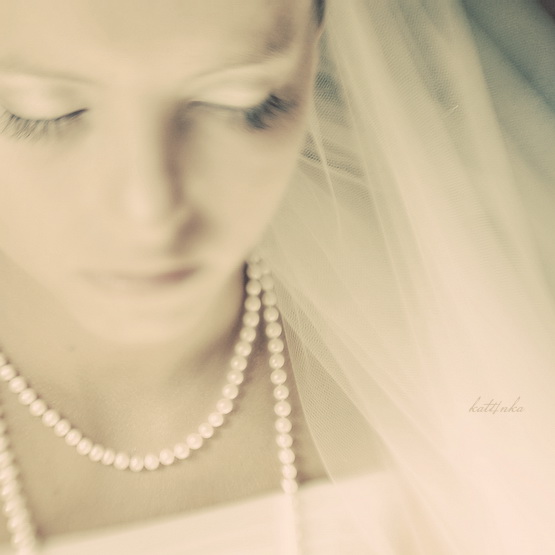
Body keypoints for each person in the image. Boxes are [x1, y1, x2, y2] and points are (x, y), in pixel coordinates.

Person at [0, 0, 554, 553]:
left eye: (238, 101)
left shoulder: (462, 340)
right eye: (40, 112)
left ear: (315, 45)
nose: (149, 211)